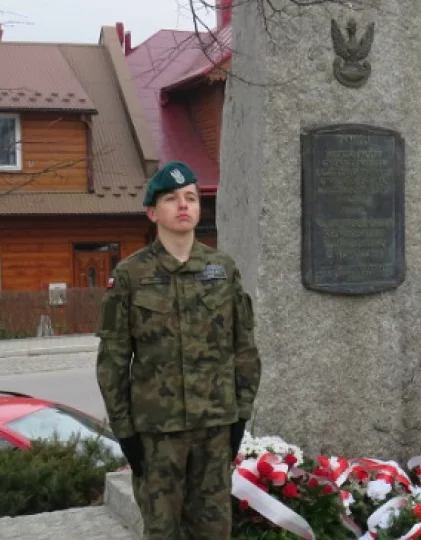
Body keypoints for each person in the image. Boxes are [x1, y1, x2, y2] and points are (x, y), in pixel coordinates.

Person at [95, 161, 262, 540]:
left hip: (215, 428)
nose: (183, 205)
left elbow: (244, 348)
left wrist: (240, 415)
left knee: (215, 531)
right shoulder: (130, 275)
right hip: (157, 434)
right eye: (171, 199)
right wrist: (125, 432)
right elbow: (113, 361)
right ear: (153, 212)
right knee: (162, 532)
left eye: (190, 198)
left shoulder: (222, 268)